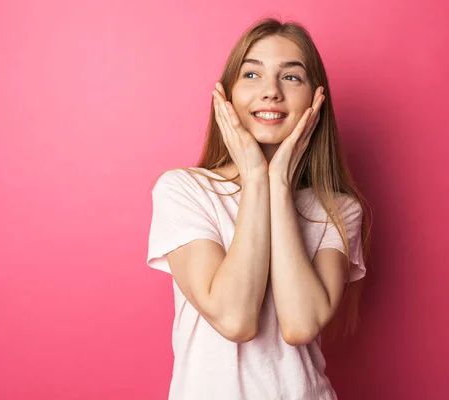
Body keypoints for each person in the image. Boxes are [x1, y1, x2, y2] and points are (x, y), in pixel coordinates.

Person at [146, 17, 371, 400]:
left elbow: (301, 325)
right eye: (251, 75)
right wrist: (254, 176)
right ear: (227, 96)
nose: (270, 92)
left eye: (291, 77)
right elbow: (234, 319)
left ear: (317, 100)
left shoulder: (338, 209)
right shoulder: (184, 190)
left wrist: (278, 183)